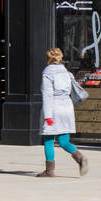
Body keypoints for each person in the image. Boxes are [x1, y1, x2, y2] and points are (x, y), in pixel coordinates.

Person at [37, 47, 88, 178]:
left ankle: (49, 170)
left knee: (48, 140)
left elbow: (47, 95)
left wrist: (48, 116)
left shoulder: (47, 73)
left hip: (54, 108)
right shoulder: (67, 73)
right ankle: (80, 157)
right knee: (64, 141)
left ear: (48, 59)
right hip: (67, 107)